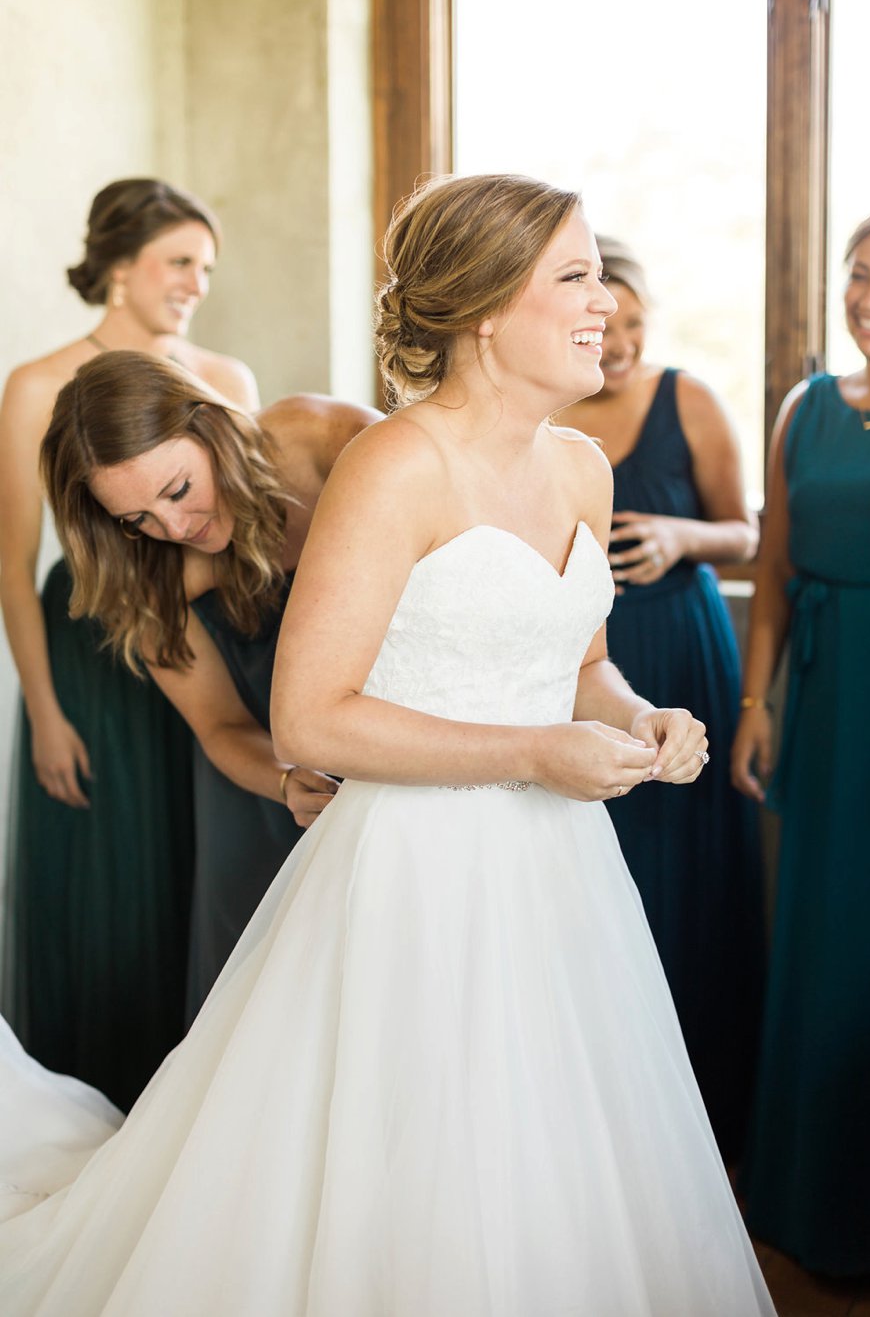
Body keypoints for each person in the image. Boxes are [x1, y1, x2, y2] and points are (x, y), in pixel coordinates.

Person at [0, 174, 773, 1316]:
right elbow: (292, 721)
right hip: (410, 846)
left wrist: (636, 713)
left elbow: (578, 664)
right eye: (572, 275)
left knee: (551, 1139)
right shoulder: (393, 465)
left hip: (556, 870)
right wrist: (534, 754)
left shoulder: (579, 466)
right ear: (483, 310)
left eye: (593, 273)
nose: (601, 299)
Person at [0, 178, 258, 1109]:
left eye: (206, 267)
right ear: (119, 265)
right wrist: (45, 713)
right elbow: (14, 565)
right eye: (179, 261)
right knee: (112, 888)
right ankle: (102, 1103)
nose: (196, 281)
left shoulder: (225, 381)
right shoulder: (36, 385)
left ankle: (202, 1105)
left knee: (204, 865)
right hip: (94, 653)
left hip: (209, 650)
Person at [40, 354, 381, 1013]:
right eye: (134, 519)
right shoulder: (148, 576)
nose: (174, 529)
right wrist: (286, 780)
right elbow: (220, 725)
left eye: (176, 490)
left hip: (397, 742)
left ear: (211, 426)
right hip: (264, 787)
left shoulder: (322, 440)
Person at [564, 237, 765, 1162]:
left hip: (678, 649)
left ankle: (706, 1104)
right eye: (611, 324)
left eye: (639, 323)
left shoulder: (690, 400)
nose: (626, 343)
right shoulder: (547, 408)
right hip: (574, 664)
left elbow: (748, 530)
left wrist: (682, 537)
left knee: (687, 864)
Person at [732, 202, 870, 1276]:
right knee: (822, 937)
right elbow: (775, 569)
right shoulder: (806, 406)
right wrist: (757, 703)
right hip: (827, 694)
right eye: (858, 274)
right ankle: (813, 1203)